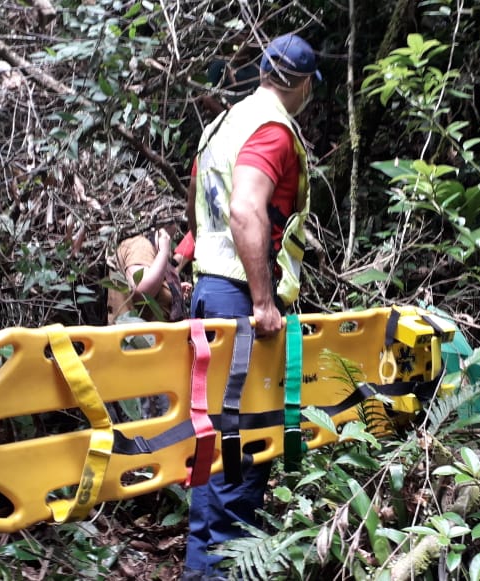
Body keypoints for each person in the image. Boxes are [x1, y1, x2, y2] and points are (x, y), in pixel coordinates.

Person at [181, 32, 320, 580]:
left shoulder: (223, 124)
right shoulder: (272, 129)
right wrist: (264, 301)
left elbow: (204, 217)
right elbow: (242, 210)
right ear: (304, 84)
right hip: (240, 300)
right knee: (238, 464)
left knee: (214, 455)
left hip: (211, 292)